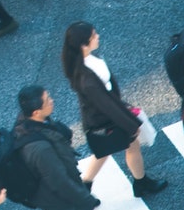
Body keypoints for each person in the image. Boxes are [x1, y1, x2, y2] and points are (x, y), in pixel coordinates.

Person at [13, 86, 106, 210]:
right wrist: (82, 196)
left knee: (83, 207)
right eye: (48, 100)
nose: (52, 101)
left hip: (61, 183)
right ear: (36, 112)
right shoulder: (40, 149)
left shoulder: (31, 122)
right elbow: (58, 181)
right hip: (52, 196)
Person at [62, 23, 166, 198]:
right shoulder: (87, 78)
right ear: (83, 44)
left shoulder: (79, 65)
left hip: (103, 116)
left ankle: (136, 182)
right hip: (107, 118)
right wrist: (131, 124)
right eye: (94, 36)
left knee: (109, 150)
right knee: (117, 148)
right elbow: (107, 105)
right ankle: (140, 183)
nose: (98, 36)